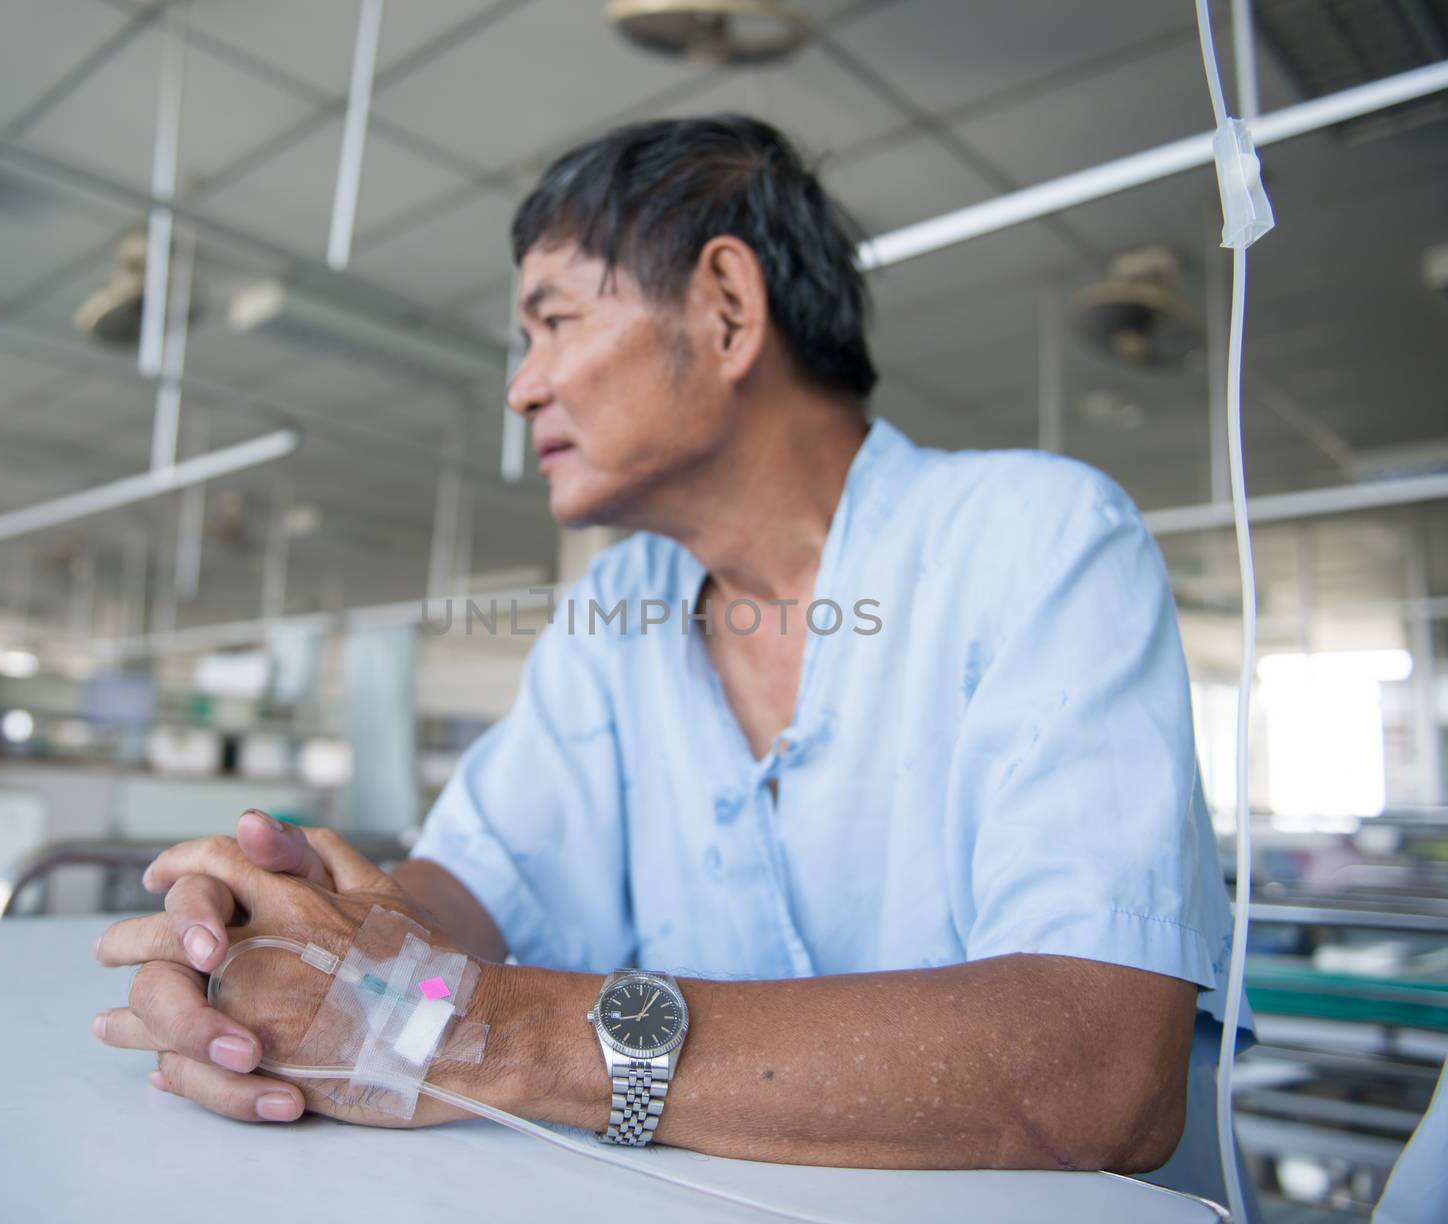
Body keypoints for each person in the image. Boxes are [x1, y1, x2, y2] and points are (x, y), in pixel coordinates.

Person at [92, 114, 1243, 1190]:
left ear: (728, 308)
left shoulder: (1038, 543)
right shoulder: (627, 607)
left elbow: (1099, 1068)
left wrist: (490, 1034)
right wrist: (287, 942)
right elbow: (470, 901)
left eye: (554, 321)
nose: (521, 384)